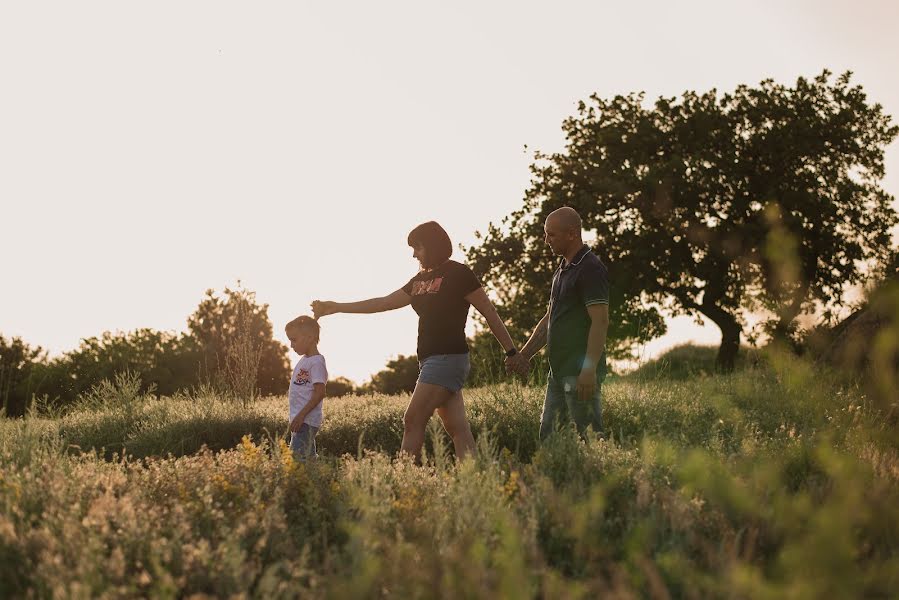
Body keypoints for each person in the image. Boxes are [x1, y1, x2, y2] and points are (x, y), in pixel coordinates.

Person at [312, 221, 519, 461]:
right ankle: (474, 480)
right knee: (458, 430)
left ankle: (405, 483)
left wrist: (511, 351)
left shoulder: (459, 273)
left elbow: (488, 311)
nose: (414, 254)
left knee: (412, 420)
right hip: (430, 359)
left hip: (448, 358)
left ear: (432, 246)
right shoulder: (420, 280)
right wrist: (336, 307)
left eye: (417, 248)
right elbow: (383, 303)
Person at [506, 207, 609, 440]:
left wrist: (589, 370)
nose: (546, 240)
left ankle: (602, 476)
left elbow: (600, 321)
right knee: (549, 440)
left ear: (572, 234)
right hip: (557, 373)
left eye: (551, 235)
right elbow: (549, 319)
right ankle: (556, 476)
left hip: (580, 374)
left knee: (591, 439)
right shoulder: (562, 270)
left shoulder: (590, 268)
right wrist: (524, 355)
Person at [285, 315, 329, 459]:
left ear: (309, 338)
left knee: (296, 460)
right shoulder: (305, 360)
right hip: (301, 421)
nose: (291, 345)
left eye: (294, 340)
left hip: (306, 421)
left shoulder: (316, 363)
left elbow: (319, 393)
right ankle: (317, 479)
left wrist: (301, 416)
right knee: (308, 461)